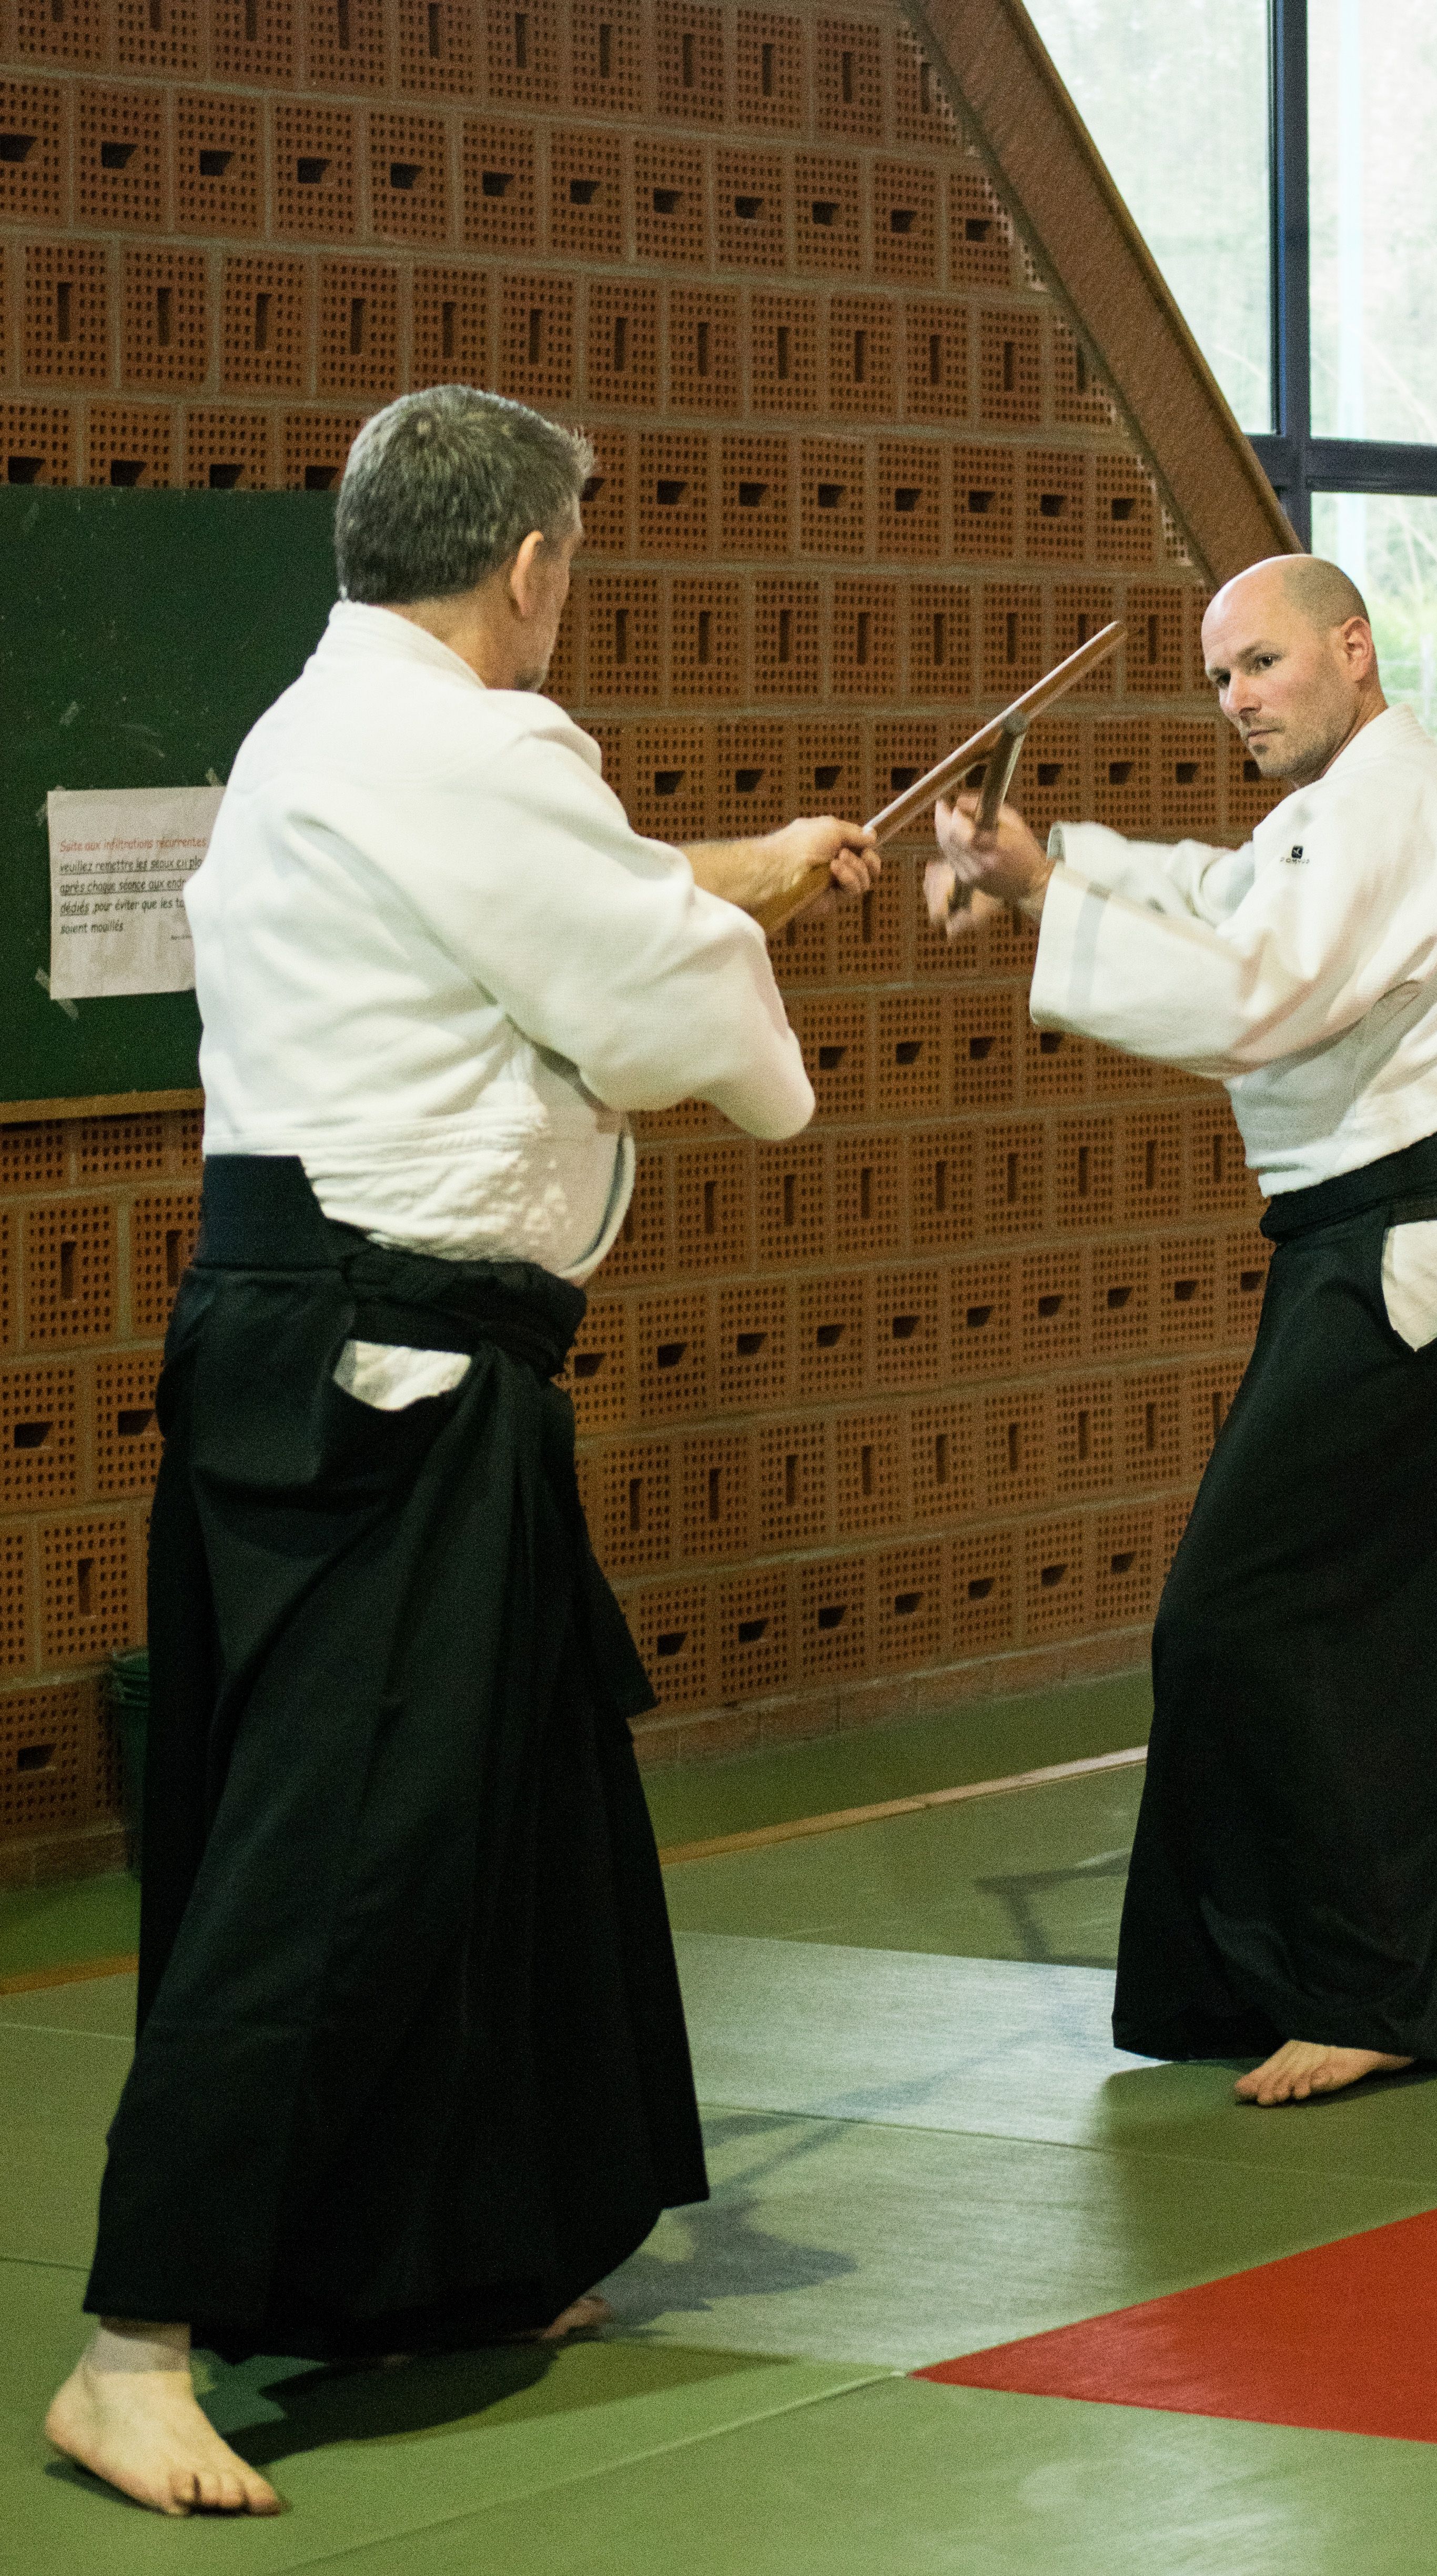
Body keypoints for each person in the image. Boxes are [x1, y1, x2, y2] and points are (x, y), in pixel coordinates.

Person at [46, 384, 878, 2517]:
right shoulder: (486, 748)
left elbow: (567, 911)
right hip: (389, 1372)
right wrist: (736, 942)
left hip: (300, 1339)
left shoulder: (315, 732)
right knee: (329, 1849)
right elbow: (679, 1023)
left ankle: (443, 2255)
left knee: (512, 1810)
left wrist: (745, 872)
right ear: (530, 563)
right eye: (572, 559)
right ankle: (136, 2348)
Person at [928, 553, 1437, 2112]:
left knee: (1249, 1608)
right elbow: (1232, 897)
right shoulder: (1345, 807)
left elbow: (1259, 987)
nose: (1238, 700)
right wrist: (1054, 867)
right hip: (1384, 1241)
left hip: (1428, 1243)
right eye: (1220, 679)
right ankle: (1401, 1962)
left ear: (1353, 648)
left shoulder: (1394, 805)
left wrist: (1049, 896)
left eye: (1262, 663)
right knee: (1416, 1614)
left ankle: (1377, 1984)